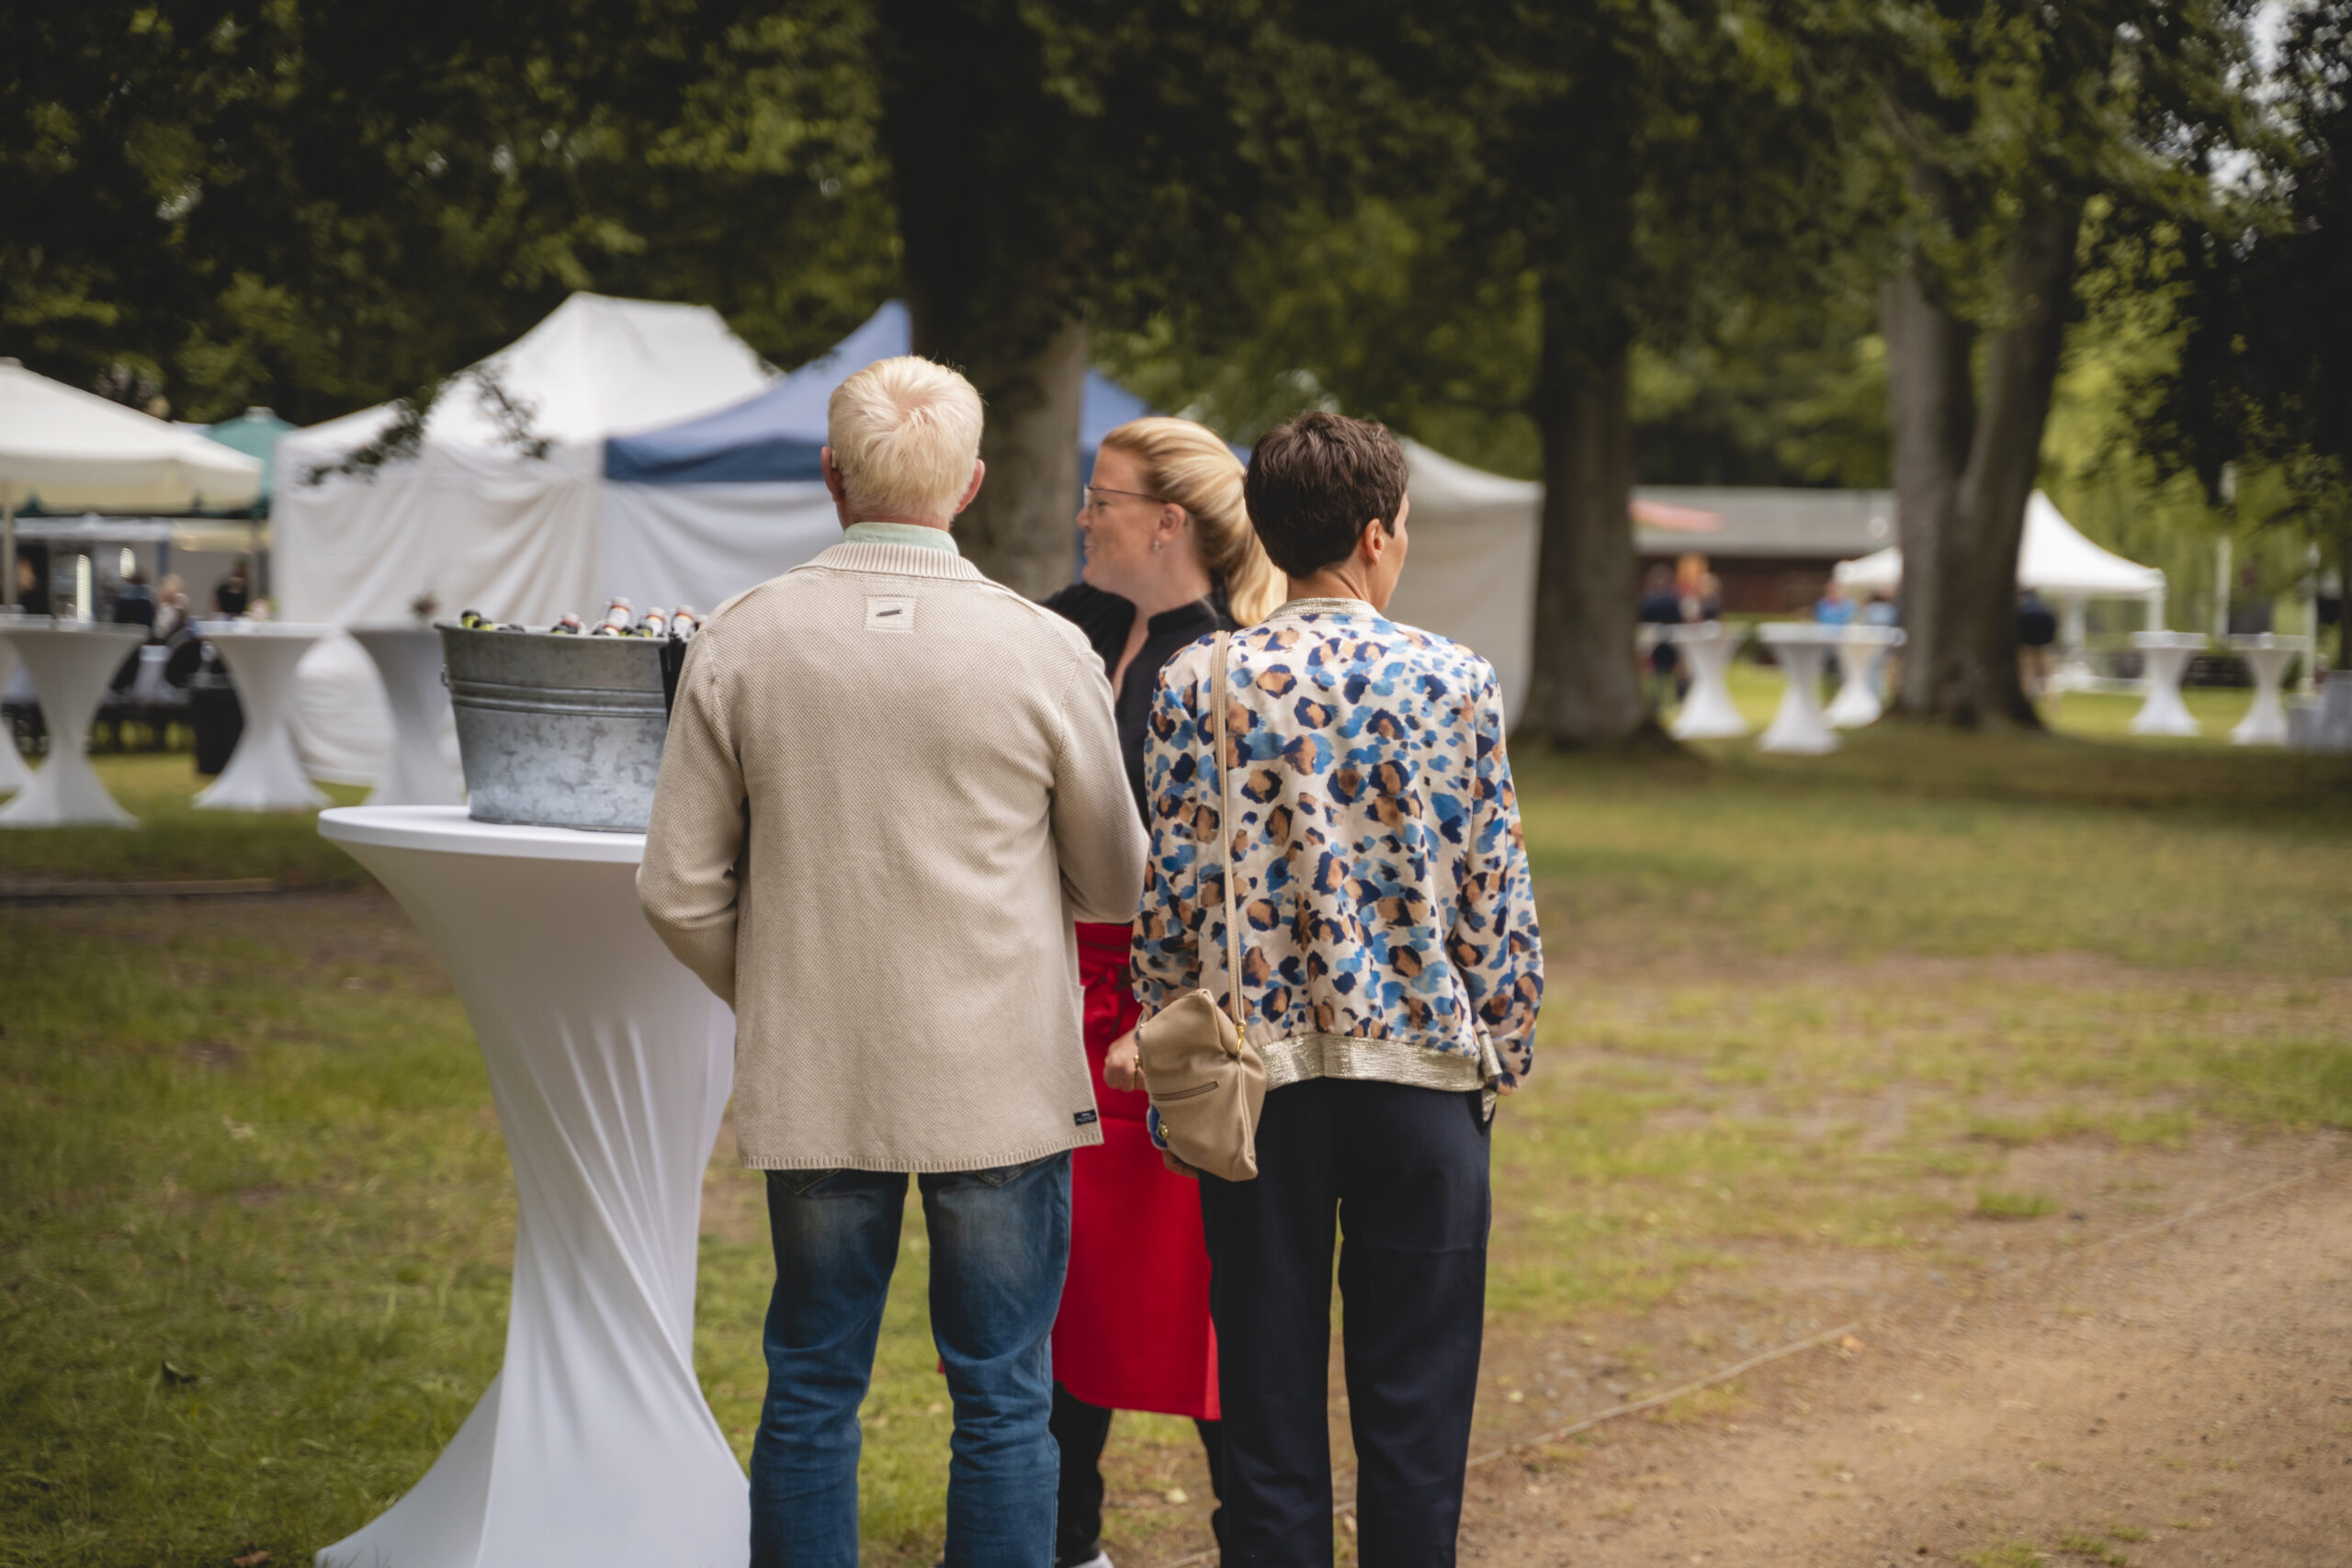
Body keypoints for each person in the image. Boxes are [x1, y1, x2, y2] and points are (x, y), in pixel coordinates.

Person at [639, 355, 1148, 1568]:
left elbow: (675, 886)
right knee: (1005, 1391)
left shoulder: (742, 638)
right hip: (1001, 1070)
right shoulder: (1042, 650)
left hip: (820, 1063)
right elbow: (1117, 883)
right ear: (970, 483)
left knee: (813, 1379)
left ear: (831, 475)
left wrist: (778, 988)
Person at [1133, 412, 1544, 1565]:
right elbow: (1494, 893)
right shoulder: (1454, 679)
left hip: (1257, 1088)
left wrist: (1163, 1035)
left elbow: (1172, 893)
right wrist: (1503, 1044)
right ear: (1374, 536)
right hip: (1423, 1084)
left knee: (1266, 1415)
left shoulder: (1199, 679)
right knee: (1416, 1416)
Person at [1040, 417, 1285, 1567]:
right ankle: (1062, 1541)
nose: (1083, 516)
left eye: (1103, 498)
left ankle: (1254, 1541)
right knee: (1057, 1292)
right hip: (1051, 997)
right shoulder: (1062, 626)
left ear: (1166, 522)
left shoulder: (1235, 657)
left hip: (1176, 1017)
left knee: (1200, 1307)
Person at [1636, 563, 1685, 709]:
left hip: (1654, 638)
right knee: (1672, 668)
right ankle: (1677, 697)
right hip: (1671, 637)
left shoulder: (1646, 599)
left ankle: (1656, 698)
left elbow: (1641, 618)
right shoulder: (1673, 599)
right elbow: (1679, 619)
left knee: (1657, 670)